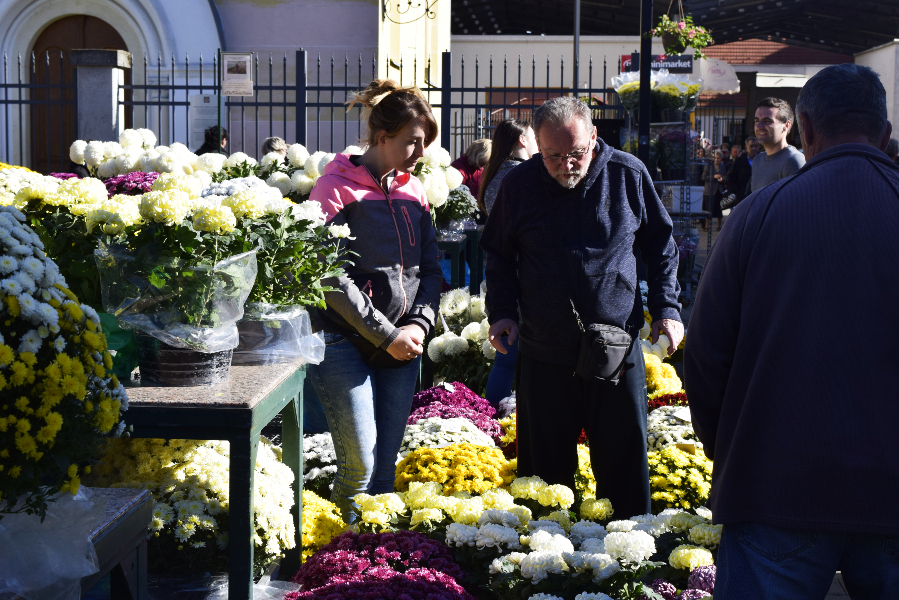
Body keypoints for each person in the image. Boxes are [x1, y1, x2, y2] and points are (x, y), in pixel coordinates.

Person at [684, 63, 899, 599]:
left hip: (775, 485)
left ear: (804, 128)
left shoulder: (757, 215)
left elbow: (706, 355)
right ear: (885, 133)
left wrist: (729, 447)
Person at [481, 97, 683, 518]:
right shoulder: (518, 185)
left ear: (593, 136)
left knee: (625, 479)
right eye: (552, 156)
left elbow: (662, 247)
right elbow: (497, 253)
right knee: (543, 486)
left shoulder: (627, 173)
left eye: (575, 153)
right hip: (543, 350)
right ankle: (545, 555)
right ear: (537, 146)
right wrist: (501, 311)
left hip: (616, 351)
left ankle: (630, 550)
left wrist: (667, 308)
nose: (566, 165)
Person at [308, 78, 443, 520]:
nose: (420, 153)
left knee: (386, 469)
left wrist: (418, 324)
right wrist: (386, 334)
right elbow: (327, 275)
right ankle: (338, 554)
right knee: (360, 468)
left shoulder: (414, 191)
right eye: (413, 142)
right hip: (342, 342)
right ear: (382, 137)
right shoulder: (334, 188)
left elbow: (431, 268)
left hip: (402, 342)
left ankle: (375, 555)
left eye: (424, 143)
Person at [476, 118, 539, 406]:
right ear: (523, 140)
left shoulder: (495, 174)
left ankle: (493, 415)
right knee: (513, 357)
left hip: (501, 274)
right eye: (533, 136)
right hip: (519, 274)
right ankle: (499, 415)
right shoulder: (521, 176)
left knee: (506, 356)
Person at [478, 118, 537, 214]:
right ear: (522, 140)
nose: (538, 143)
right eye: (534, 138)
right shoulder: (527, 175)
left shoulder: (495, 174)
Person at [751, 97, 805, 192]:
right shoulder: (757, 160)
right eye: (756, 121)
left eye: (767, 121)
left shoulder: (793, 161)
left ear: (786, 125)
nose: (759, 126)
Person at [724, 136, 760, 209]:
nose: (754, 148)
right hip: (742, 199)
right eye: (751, 146)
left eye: (756, 146)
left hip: (759, 198)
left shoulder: (764, 161)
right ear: (746, 148)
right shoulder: (739, 161)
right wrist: (739, 193)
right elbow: (731, 179)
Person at [701, 150, 727, 231]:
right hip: (709, 190)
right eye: (715, 158)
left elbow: (725, 176)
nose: (716, 160)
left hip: (719, 190)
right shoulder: (708, 166)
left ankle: (720, 226)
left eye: (718, 158)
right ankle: (707, 226)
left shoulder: (722, 166)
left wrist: (722, 179)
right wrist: (713, 177)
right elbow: (703, 177)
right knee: (708, 209)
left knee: (719, 209)